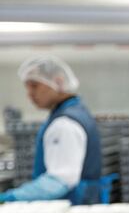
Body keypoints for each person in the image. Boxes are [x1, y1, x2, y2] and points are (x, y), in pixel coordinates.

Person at [0, 56, 101, 205]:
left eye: (34, 86)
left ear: (58, 82)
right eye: (27, 87)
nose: (29, 94)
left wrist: (11, 197)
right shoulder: (76, 111)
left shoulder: (64, 124)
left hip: (69, 208)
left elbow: (60, 180)